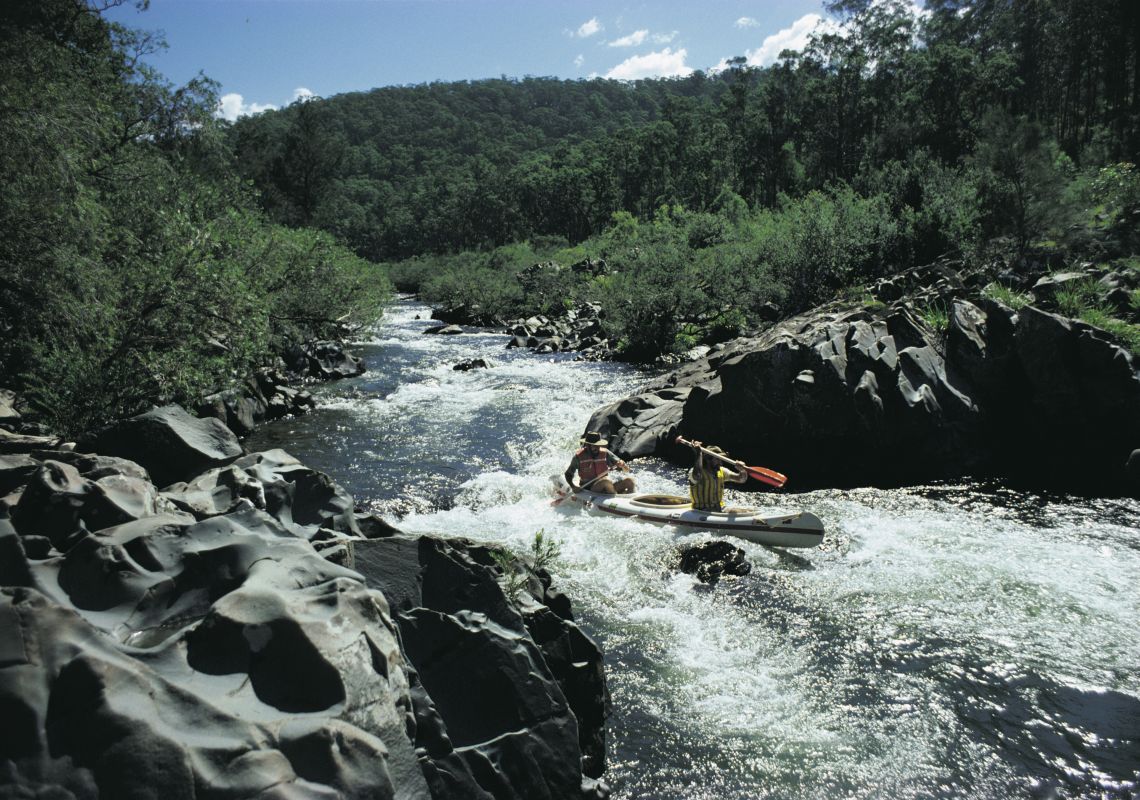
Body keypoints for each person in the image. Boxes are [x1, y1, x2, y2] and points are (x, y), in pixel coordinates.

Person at [565, 431, 635, 494]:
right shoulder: (578, 457)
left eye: (598, 445)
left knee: (630, 481)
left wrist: (623, 465)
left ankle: (627, 499)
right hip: (589, 488)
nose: (596, 447)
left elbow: (626, 470)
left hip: (607, 486)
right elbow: (568, 474)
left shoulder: (605, 453)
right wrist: (573, 486)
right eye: (593, 445)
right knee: (605, 482)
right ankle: (615, 496)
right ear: (587, 445)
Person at [686, 439, 747, 511]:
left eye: (721, 460)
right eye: (718, 459)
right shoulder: (694, 472)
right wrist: (699, 454)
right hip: (701, 510)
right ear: (708, 459)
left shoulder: (722, 471)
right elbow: (697, 475)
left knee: (747, 511)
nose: (720, 463)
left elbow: (741, 479)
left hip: (719, 508)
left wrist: (742, 470)